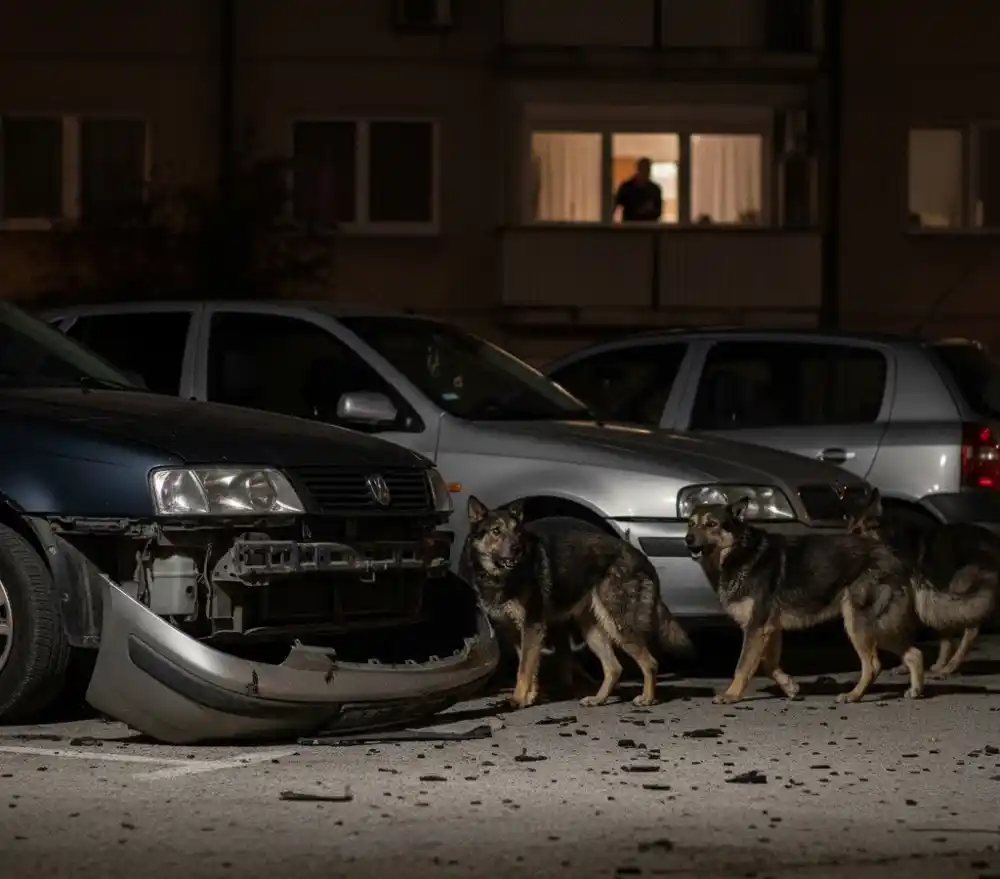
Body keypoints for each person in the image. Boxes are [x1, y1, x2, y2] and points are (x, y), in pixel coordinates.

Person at [614, 157, 663, 222]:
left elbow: (658, 212)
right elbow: (615, 205)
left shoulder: (654, 189)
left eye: (647, 169)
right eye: (643, 169)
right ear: (638, 169)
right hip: (631, 227)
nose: (645, 172)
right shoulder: (627, 187)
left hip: (648, 227)